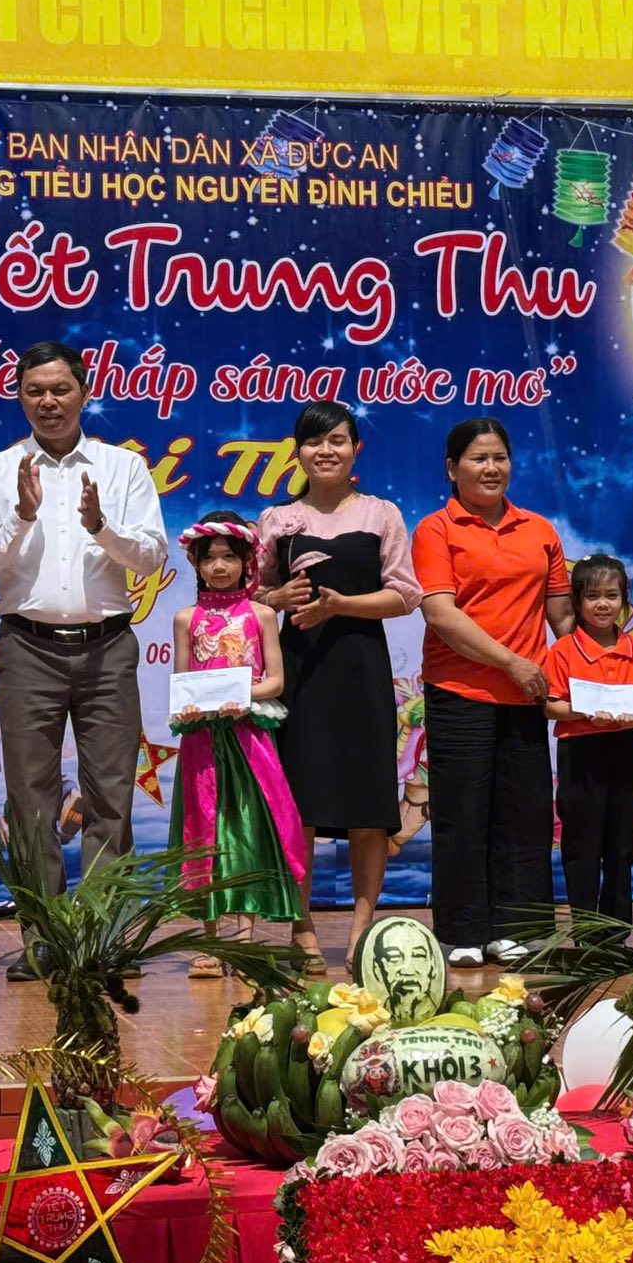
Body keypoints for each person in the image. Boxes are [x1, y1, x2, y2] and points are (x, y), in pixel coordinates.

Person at [0, 340, 169, 981]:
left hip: (108, 647)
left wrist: (102, 527)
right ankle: (46, 938)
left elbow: (152, 557)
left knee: (111, 796)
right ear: (19, 397)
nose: (48, 402)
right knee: (30, 799)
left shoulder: (122, 467)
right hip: (27, 648)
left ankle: (102, 938)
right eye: (35, 391)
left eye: (60, 389)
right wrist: (21, 518)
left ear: (84, 392)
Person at [255, 401, 423, 968]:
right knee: (298, 803)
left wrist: (341, 605)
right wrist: (277, 598)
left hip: (361, 668)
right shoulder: (277, 519)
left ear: (356, 449)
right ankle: (300, 929)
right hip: (298, 671)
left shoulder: (381, 513)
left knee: (367, 807)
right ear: (297, 452)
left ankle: (361, 932)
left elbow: (405, 595)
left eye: (337, 440)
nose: (325, 450)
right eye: (313, 441)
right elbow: (253, 595)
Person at [413, 418, 573, 968]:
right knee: (462, 814)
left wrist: (594, 667)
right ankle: (462, 931)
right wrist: (510, 662)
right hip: (460, 691)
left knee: (525, 816)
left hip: (526, 696)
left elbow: (561, 616)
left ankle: (518, 928)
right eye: (478, 458)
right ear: (451, 468)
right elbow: (440, 614)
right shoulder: (436, 529)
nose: (490, 468)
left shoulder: (540, 529)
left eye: (499, 457)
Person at [166, 512, 308, 976]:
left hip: (249, 737)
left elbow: (276, 681)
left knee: (246, 830)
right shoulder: (186, 618)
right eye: (210, 559)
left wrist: (241, 696)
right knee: (203, 831)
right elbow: (184, 681)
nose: (220, 567)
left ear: (247, 562)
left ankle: (244, 942)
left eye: (229, 557)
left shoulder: (261, 614)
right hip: (203, 741)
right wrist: (191, 706)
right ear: (196, 564)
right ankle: (210, 943)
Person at [543, 555, 633, 924]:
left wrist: (630, 712)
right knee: (582, 844)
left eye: (612, 595)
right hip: (580, 754)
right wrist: (583, 711)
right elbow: (550, 706)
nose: (603, 604)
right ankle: (586, 932)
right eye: (593, 596)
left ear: (625, 599)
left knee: (622, 844)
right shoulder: (563, 650)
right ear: (577, 602)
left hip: (625, 751)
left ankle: (616, 933)